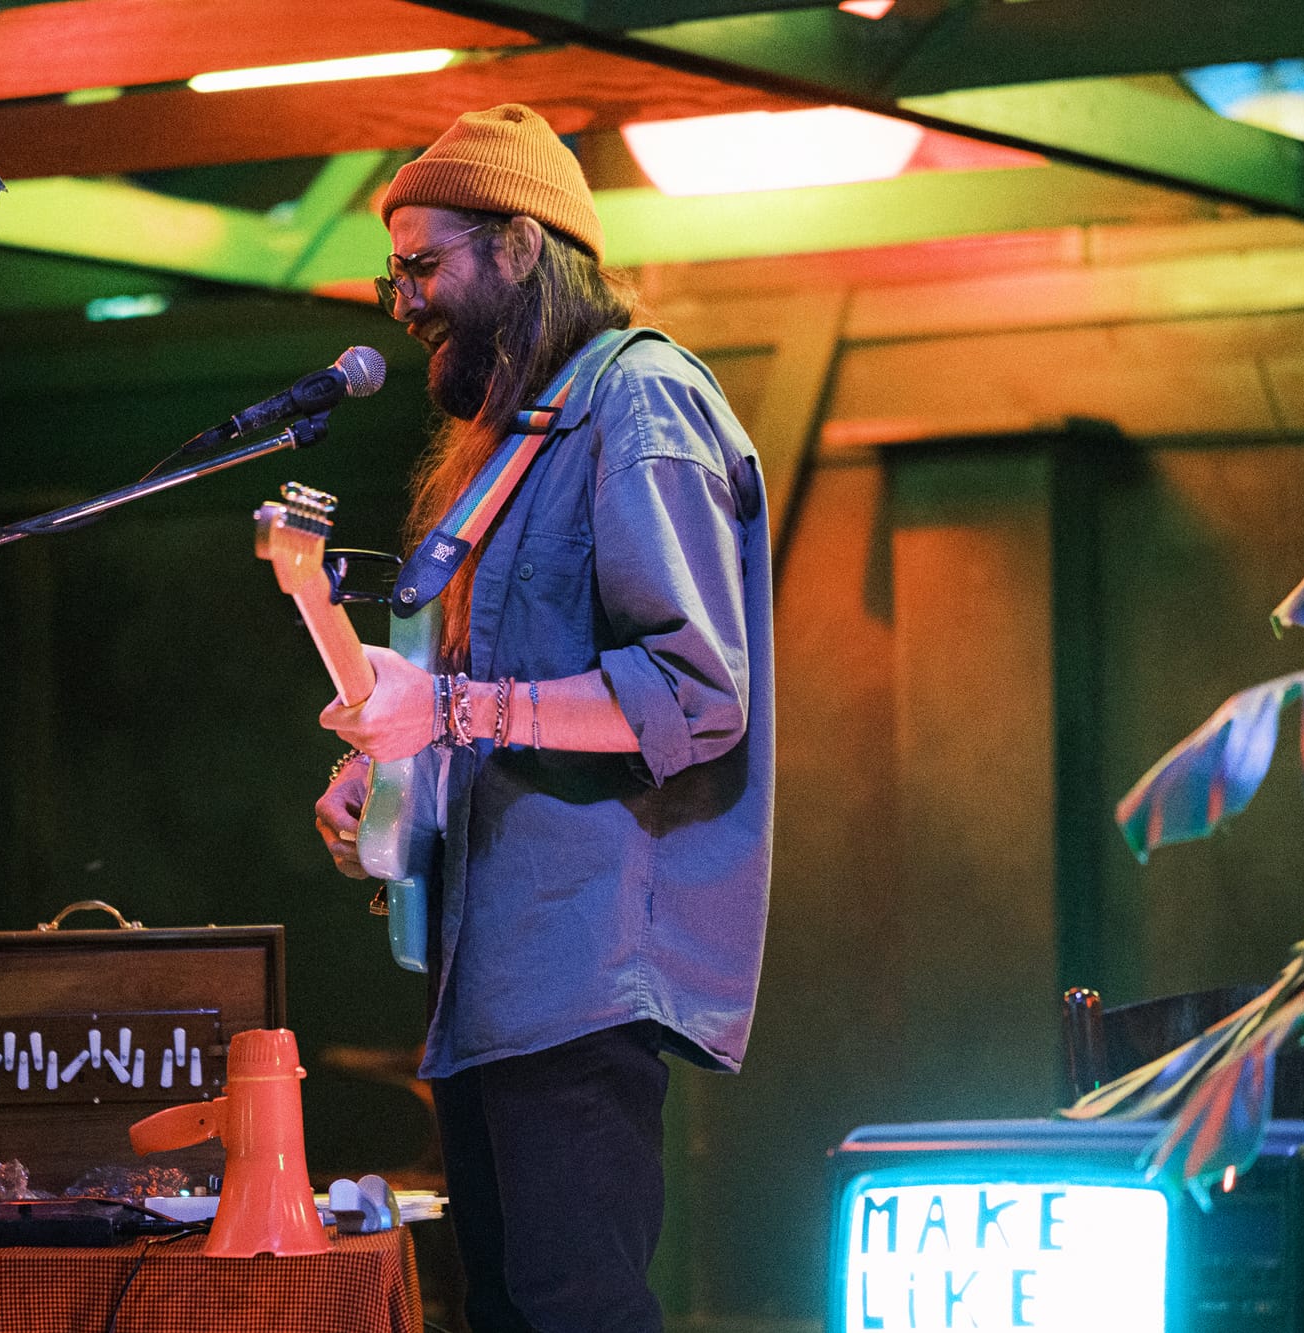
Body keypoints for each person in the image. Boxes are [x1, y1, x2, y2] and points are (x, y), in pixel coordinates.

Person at [312, 104, 773, 1333]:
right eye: (393, 274)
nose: (403, 303)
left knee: (575, 1307)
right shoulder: (516, 435)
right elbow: (494, 711)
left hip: (585, 966)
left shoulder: (641, 401)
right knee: (507, 1310)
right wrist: (400, 775)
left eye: (423, 266)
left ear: (518, 246)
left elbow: (694, 693)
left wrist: (449, 705)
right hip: (491, 972)